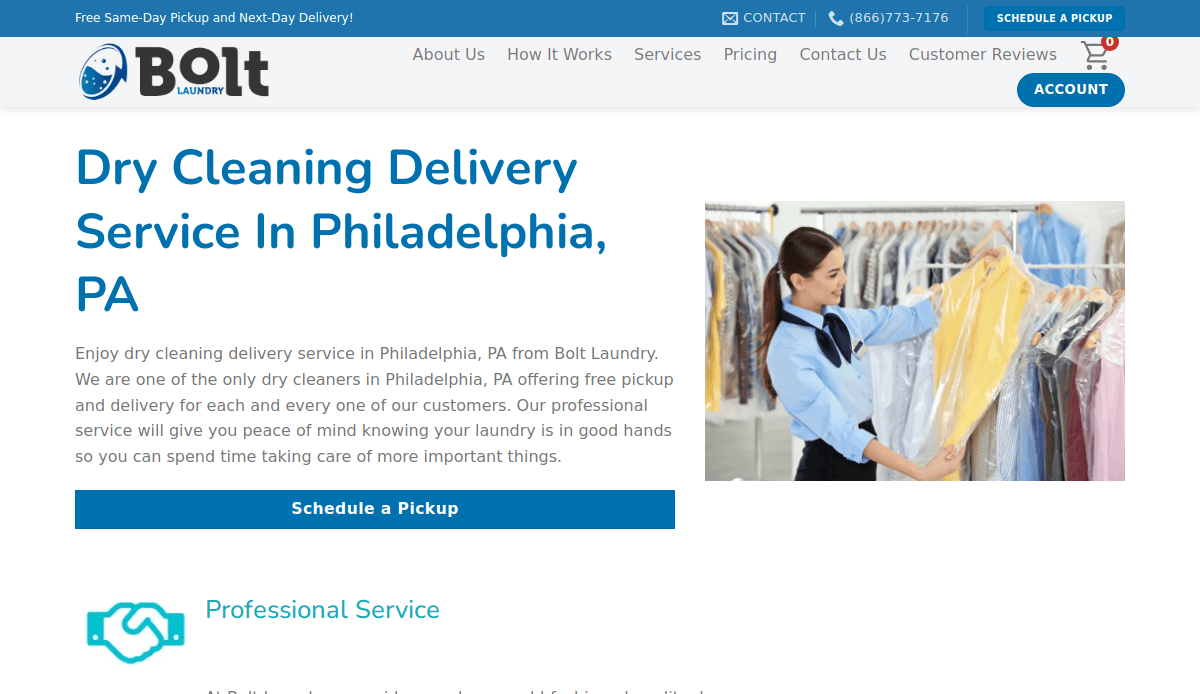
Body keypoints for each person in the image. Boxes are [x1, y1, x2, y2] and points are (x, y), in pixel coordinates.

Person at [761, 226, 994, 481]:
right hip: (829, 467)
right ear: (798, 281)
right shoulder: (787, 352)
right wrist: (921, 472)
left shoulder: (842, 318)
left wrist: (971, 273)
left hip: (867, 458)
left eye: (843, 269)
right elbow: (842, 431)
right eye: (833, 274)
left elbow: (911, 318)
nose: (845, 280)